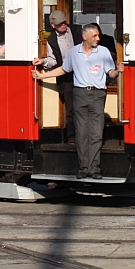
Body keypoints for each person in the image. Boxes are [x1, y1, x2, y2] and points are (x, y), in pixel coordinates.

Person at [32, 23, 119, 179]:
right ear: (85, 37)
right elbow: (64, 69)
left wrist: (117, 72)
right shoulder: (74, 52)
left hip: (98, 94)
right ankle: (83, 168)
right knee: (81, 133)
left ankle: (94, 168)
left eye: (98, 35)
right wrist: (42, 76)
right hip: (79, 93)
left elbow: (110, 72)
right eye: (95, 36)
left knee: (96, 133)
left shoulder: (103, 51)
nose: (98, 38)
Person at [32, 10, 81, 143]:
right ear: (53, 25)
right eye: (60, 24)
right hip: (66, 76)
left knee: (83, 106)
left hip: (82, 73)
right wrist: (43, 61)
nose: (64, 25)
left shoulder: (77, 31)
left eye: (65, 22)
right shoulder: (52, 39)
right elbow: (52, 60)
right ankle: (72, 135)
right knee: (70, 108)